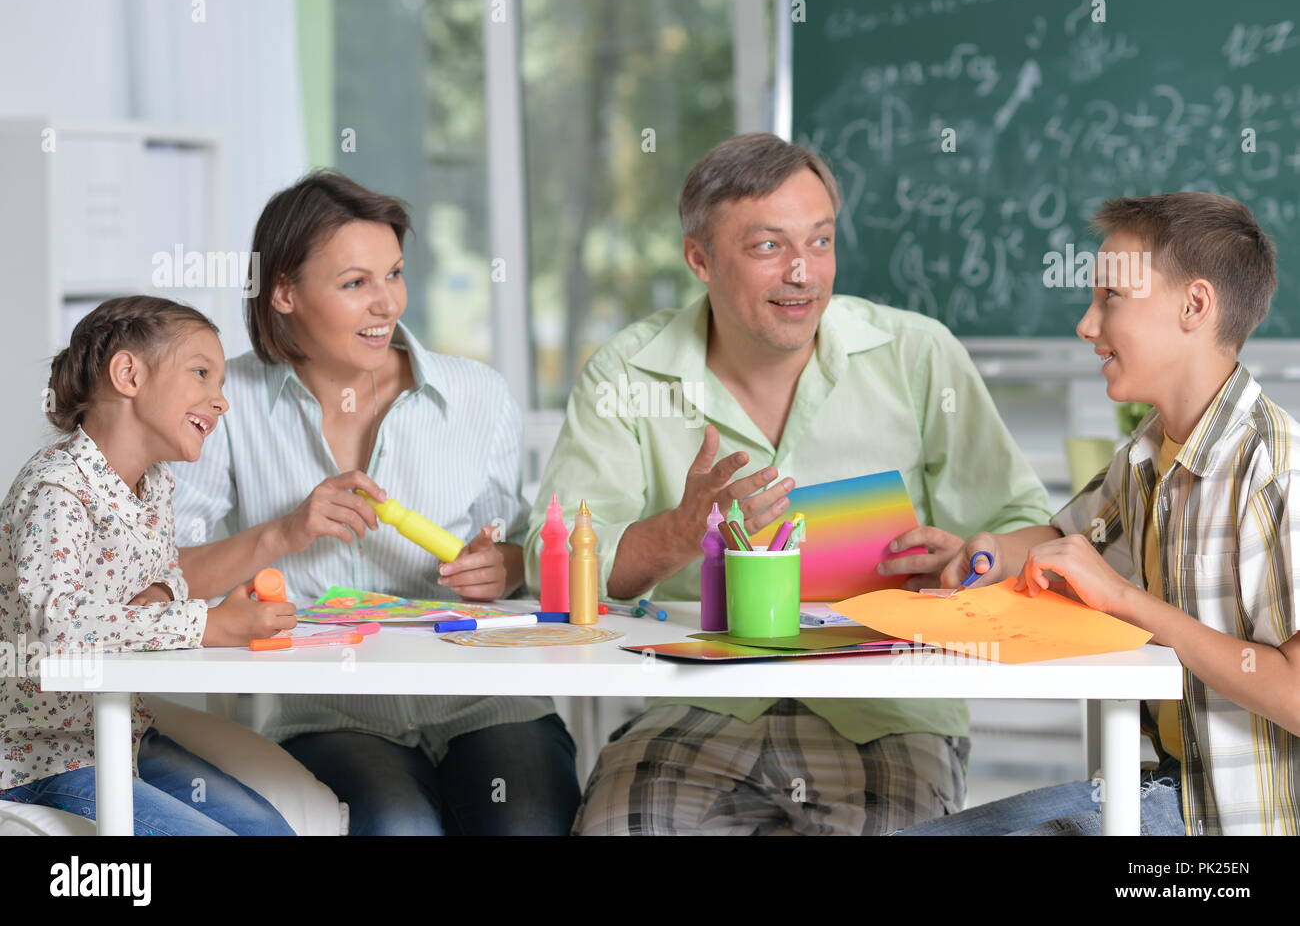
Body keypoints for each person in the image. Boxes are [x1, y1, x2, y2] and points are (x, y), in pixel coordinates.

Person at [525, 133, 1053, 835]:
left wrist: (973, 557)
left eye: (821, 241)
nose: (803, 273)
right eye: (769, 246)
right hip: (699, 702)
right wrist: (680, 532)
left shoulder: (917, 353)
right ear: (699, 259)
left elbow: (1030, 527)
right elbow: (551, 564)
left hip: (882, 712)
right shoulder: (627, 373)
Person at [173, 171, 580, 835]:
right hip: (333, 710)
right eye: (354, 283)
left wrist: (503, 566)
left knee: (526, 818)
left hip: (485, 697)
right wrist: (286, 531)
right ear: (284, 291)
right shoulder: (229, 399)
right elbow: (163, 574)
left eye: (393, 274)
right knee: (396, 825)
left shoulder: (477, 394)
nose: (386, 303)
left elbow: (528, 546)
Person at [900, 192, 1296, 836]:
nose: (1087, 325)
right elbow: (1065, 538)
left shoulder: (1276, 471)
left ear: (1194, 306)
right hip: (1163, 783)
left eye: (1111, 297)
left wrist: (1124, 599)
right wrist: (992, 552)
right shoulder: (1149, 450)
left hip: (1232, 822)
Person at [0, 296, 296, 835]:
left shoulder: (155, 483)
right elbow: (56, 624)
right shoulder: (57, 488)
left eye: (222, 383)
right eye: (202, 373)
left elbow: (169, 576)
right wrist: (204, 624)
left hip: (123, 731)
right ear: (129, 375)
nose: (221, 401)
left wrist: (162, 595)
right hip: (42, 755)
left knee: (269, 831)